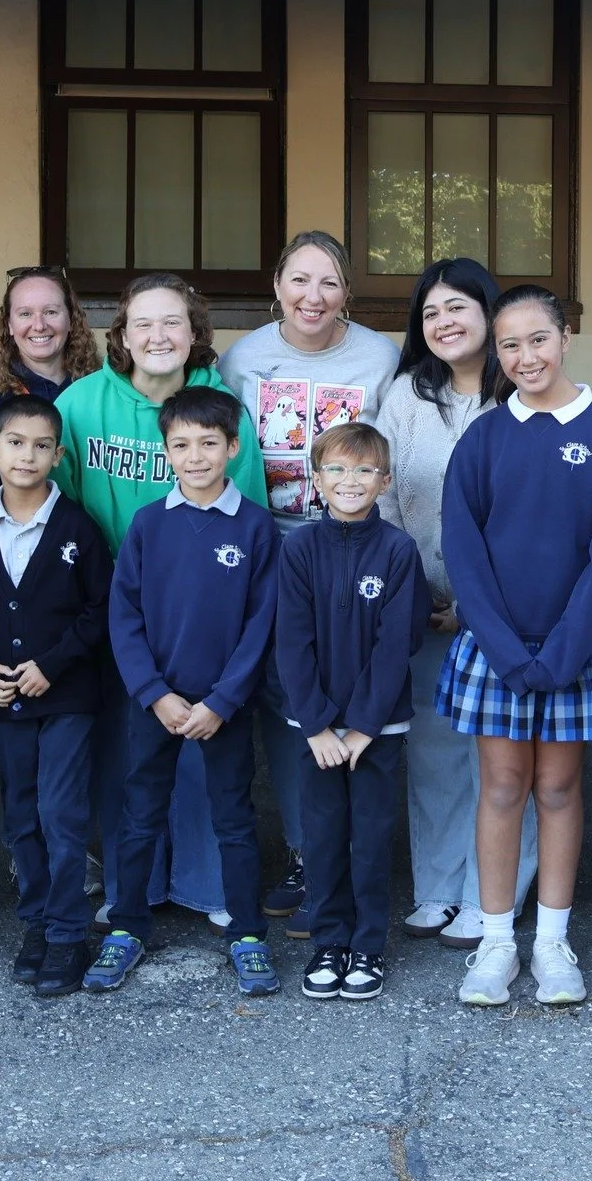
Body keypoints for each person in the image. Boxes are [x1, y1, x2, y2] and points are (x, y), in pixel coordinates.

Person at [442, 286, 592, 1008]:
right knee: (501, 787)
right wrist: (502, 647)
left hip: (574, 651)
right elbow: (463, 550)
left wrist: (564, 652)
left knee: (558, 788)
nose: (525, 356)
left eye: (538, 339)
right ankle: (497, 941)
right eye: (509, 345)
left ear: (565, 337)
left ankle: (552, 942)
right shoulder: (484, 438)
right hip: (496, 649)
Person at [55, 273, 266, 935]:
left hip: (206, 608)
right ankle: (135, 892)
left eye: (172, 321)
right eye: (142, 323)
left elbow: (249, 514)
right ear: (120, 334)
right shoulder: (80, 403)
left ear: (195, 331)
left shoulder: (224, 409)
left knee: (210, 766)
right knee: (132, 761)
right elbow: (60, 503)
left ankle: (207, 886)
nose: (157, 336)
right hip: (116, 610)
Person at [220, 231, 401, 930]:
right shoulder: (244, 358)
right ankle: (307, 852)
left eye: (328, 282)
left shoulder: (379, 357)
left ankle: (357, 858)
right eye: (299, 280)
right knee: (287, 700)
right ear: (277, 285)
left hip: (352, 554)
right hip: (272, 552)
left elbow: (390, 455)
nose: (312, 297)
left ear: (347, 291)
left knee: (354, 692)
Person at [90, 386, 282, 998]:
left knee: (234, 817)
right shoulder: (149, 524)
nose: (195, 456)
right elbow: (123, 615)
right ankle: (127, 925)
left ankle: (247, 932)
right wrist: (154, 693)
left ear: (233, 448)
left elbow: (262, 622)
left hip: (223, 707)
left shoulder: (256, 527)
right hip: (157, 702)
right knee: (140, 814)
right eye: (181, 445)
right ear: (166, 451)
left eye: (208, 443)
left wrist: (222, 701)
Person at [376, 258, 539, 951]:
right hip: (423, 606)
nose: (444, 322)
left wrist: (475, 608)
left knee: (502, 760)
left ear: (489, 312)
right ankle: (439, 886)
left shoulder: (523, 396)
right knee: (435, 753)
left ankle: (492, 893)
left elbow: (535, 518)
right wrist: (412, 595)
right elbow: (382, 495)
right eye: (430, 312)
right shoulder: (404, 396)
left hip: (505, 613)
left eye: (457, 307)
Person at [0, 393, 113, 998]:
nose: (27, 455)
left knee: (60, 813)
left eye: (41, 446)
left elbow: (101, 610)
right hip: (6, 702)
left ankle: (69, 931)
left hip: (68, 697)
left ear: (59, 456)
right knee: (20, 815)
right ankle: (38, 922)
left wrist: (52, 664)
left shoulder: (78, 527)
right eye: (15, 443)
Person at [277, 422, 430, 1002]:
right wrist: (318, 725)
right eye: (337, 469)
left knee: (369, 838)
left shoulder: (398, 551)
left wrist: (364, 726)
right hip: (314, 730)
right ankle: (328, 942)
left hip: (376, 730)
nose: (350, 480)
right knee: (322, 837)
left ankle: (367, 947)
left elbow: (398, 644)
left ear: (384, 481)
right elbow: (291, 643)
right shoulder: (298, 550)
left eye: (365, 470)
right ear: (316, 480)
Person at [0, 267, 102, 536]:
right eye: (25, 314)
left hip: (96, 546)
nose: (39, 325)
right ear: (9, 324)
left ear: (71, 319)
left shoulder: (100, 392)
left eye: (51, 312)